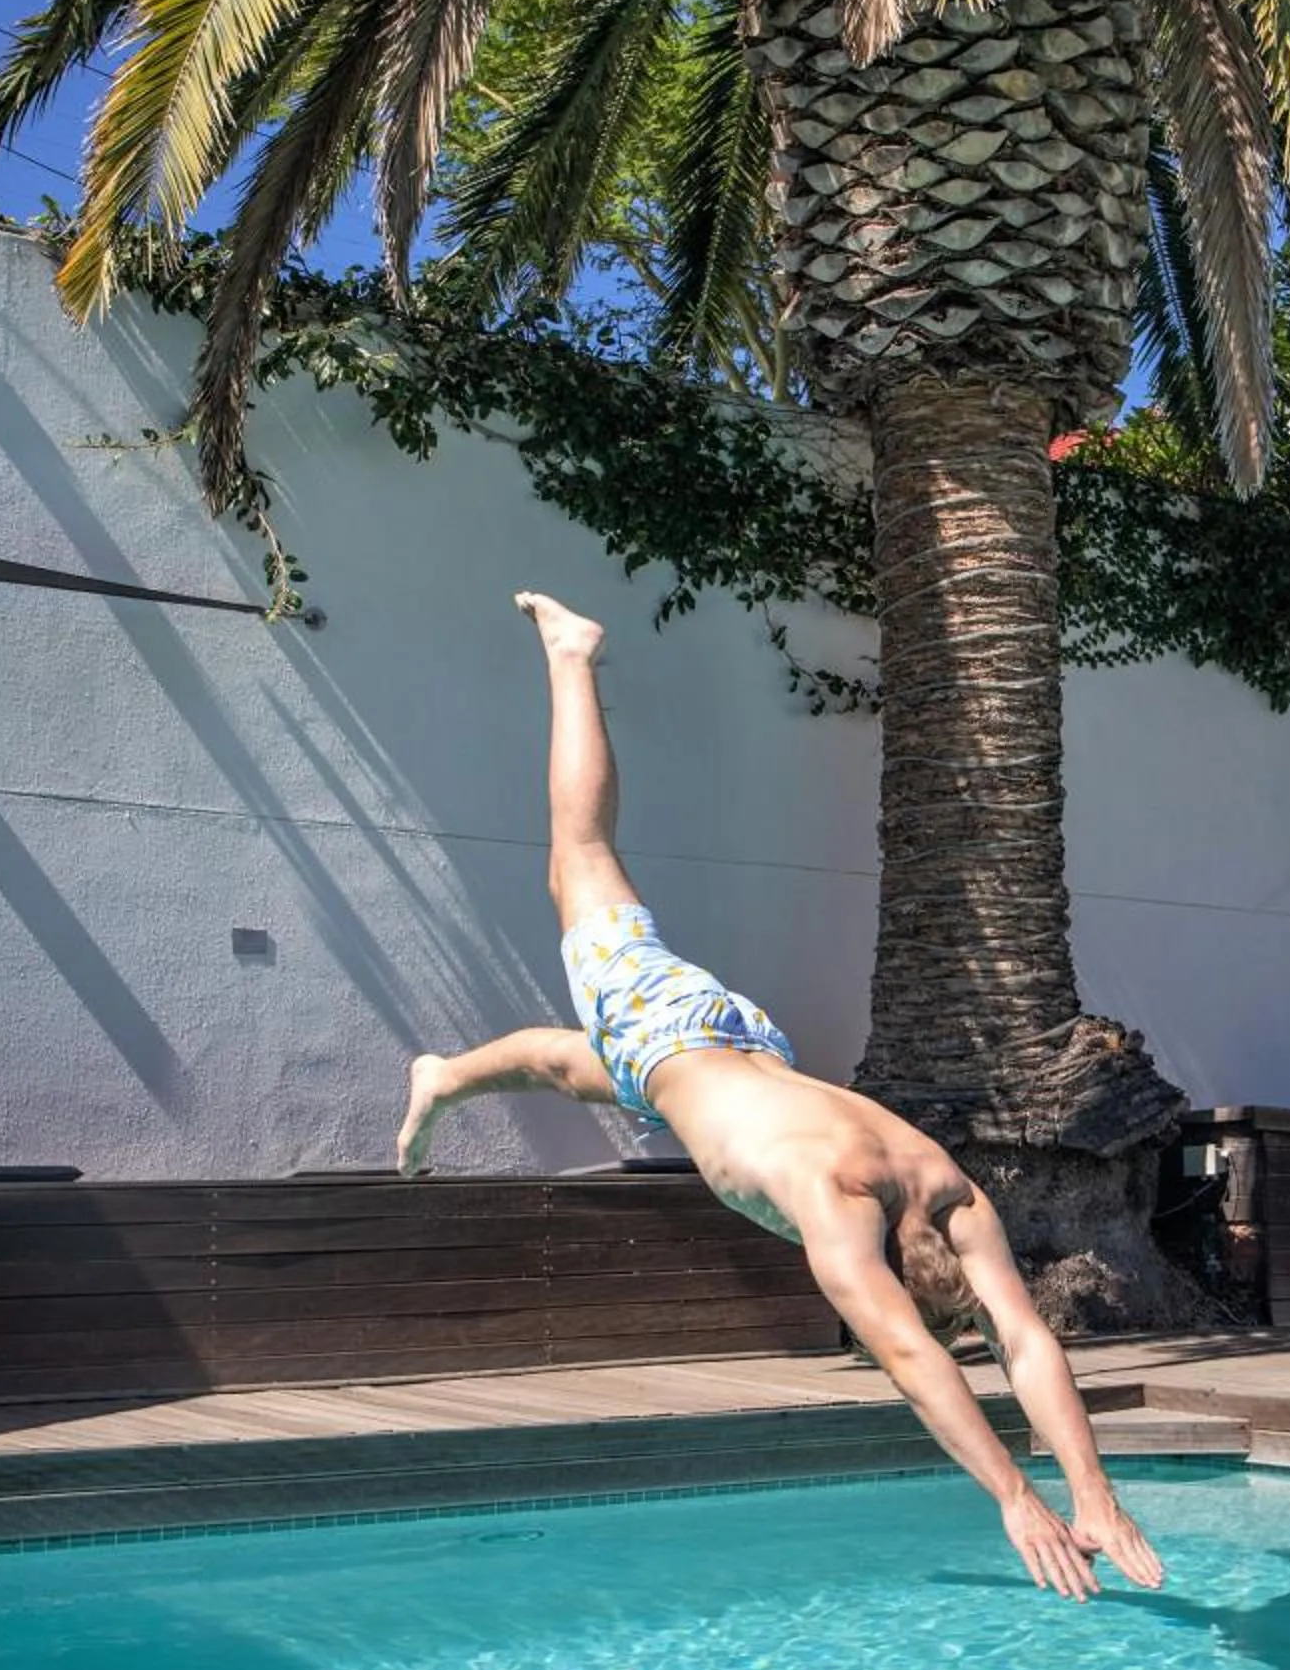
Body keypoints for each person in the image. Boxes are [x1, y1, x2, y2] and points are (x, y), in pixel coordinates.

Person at [396, 591, 1164, 1602]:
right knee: (577, 862)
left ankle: (445, 1077)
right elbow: (912, 1352)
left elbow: (1021, 1341)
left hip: (730, 1046)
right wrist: (1018, 1497)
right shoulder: (834, 1209)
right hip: (678, 1032)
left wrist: (1095, 1495)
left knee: (585, 1066)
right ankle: (572, 657)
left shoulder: (946, 1187)